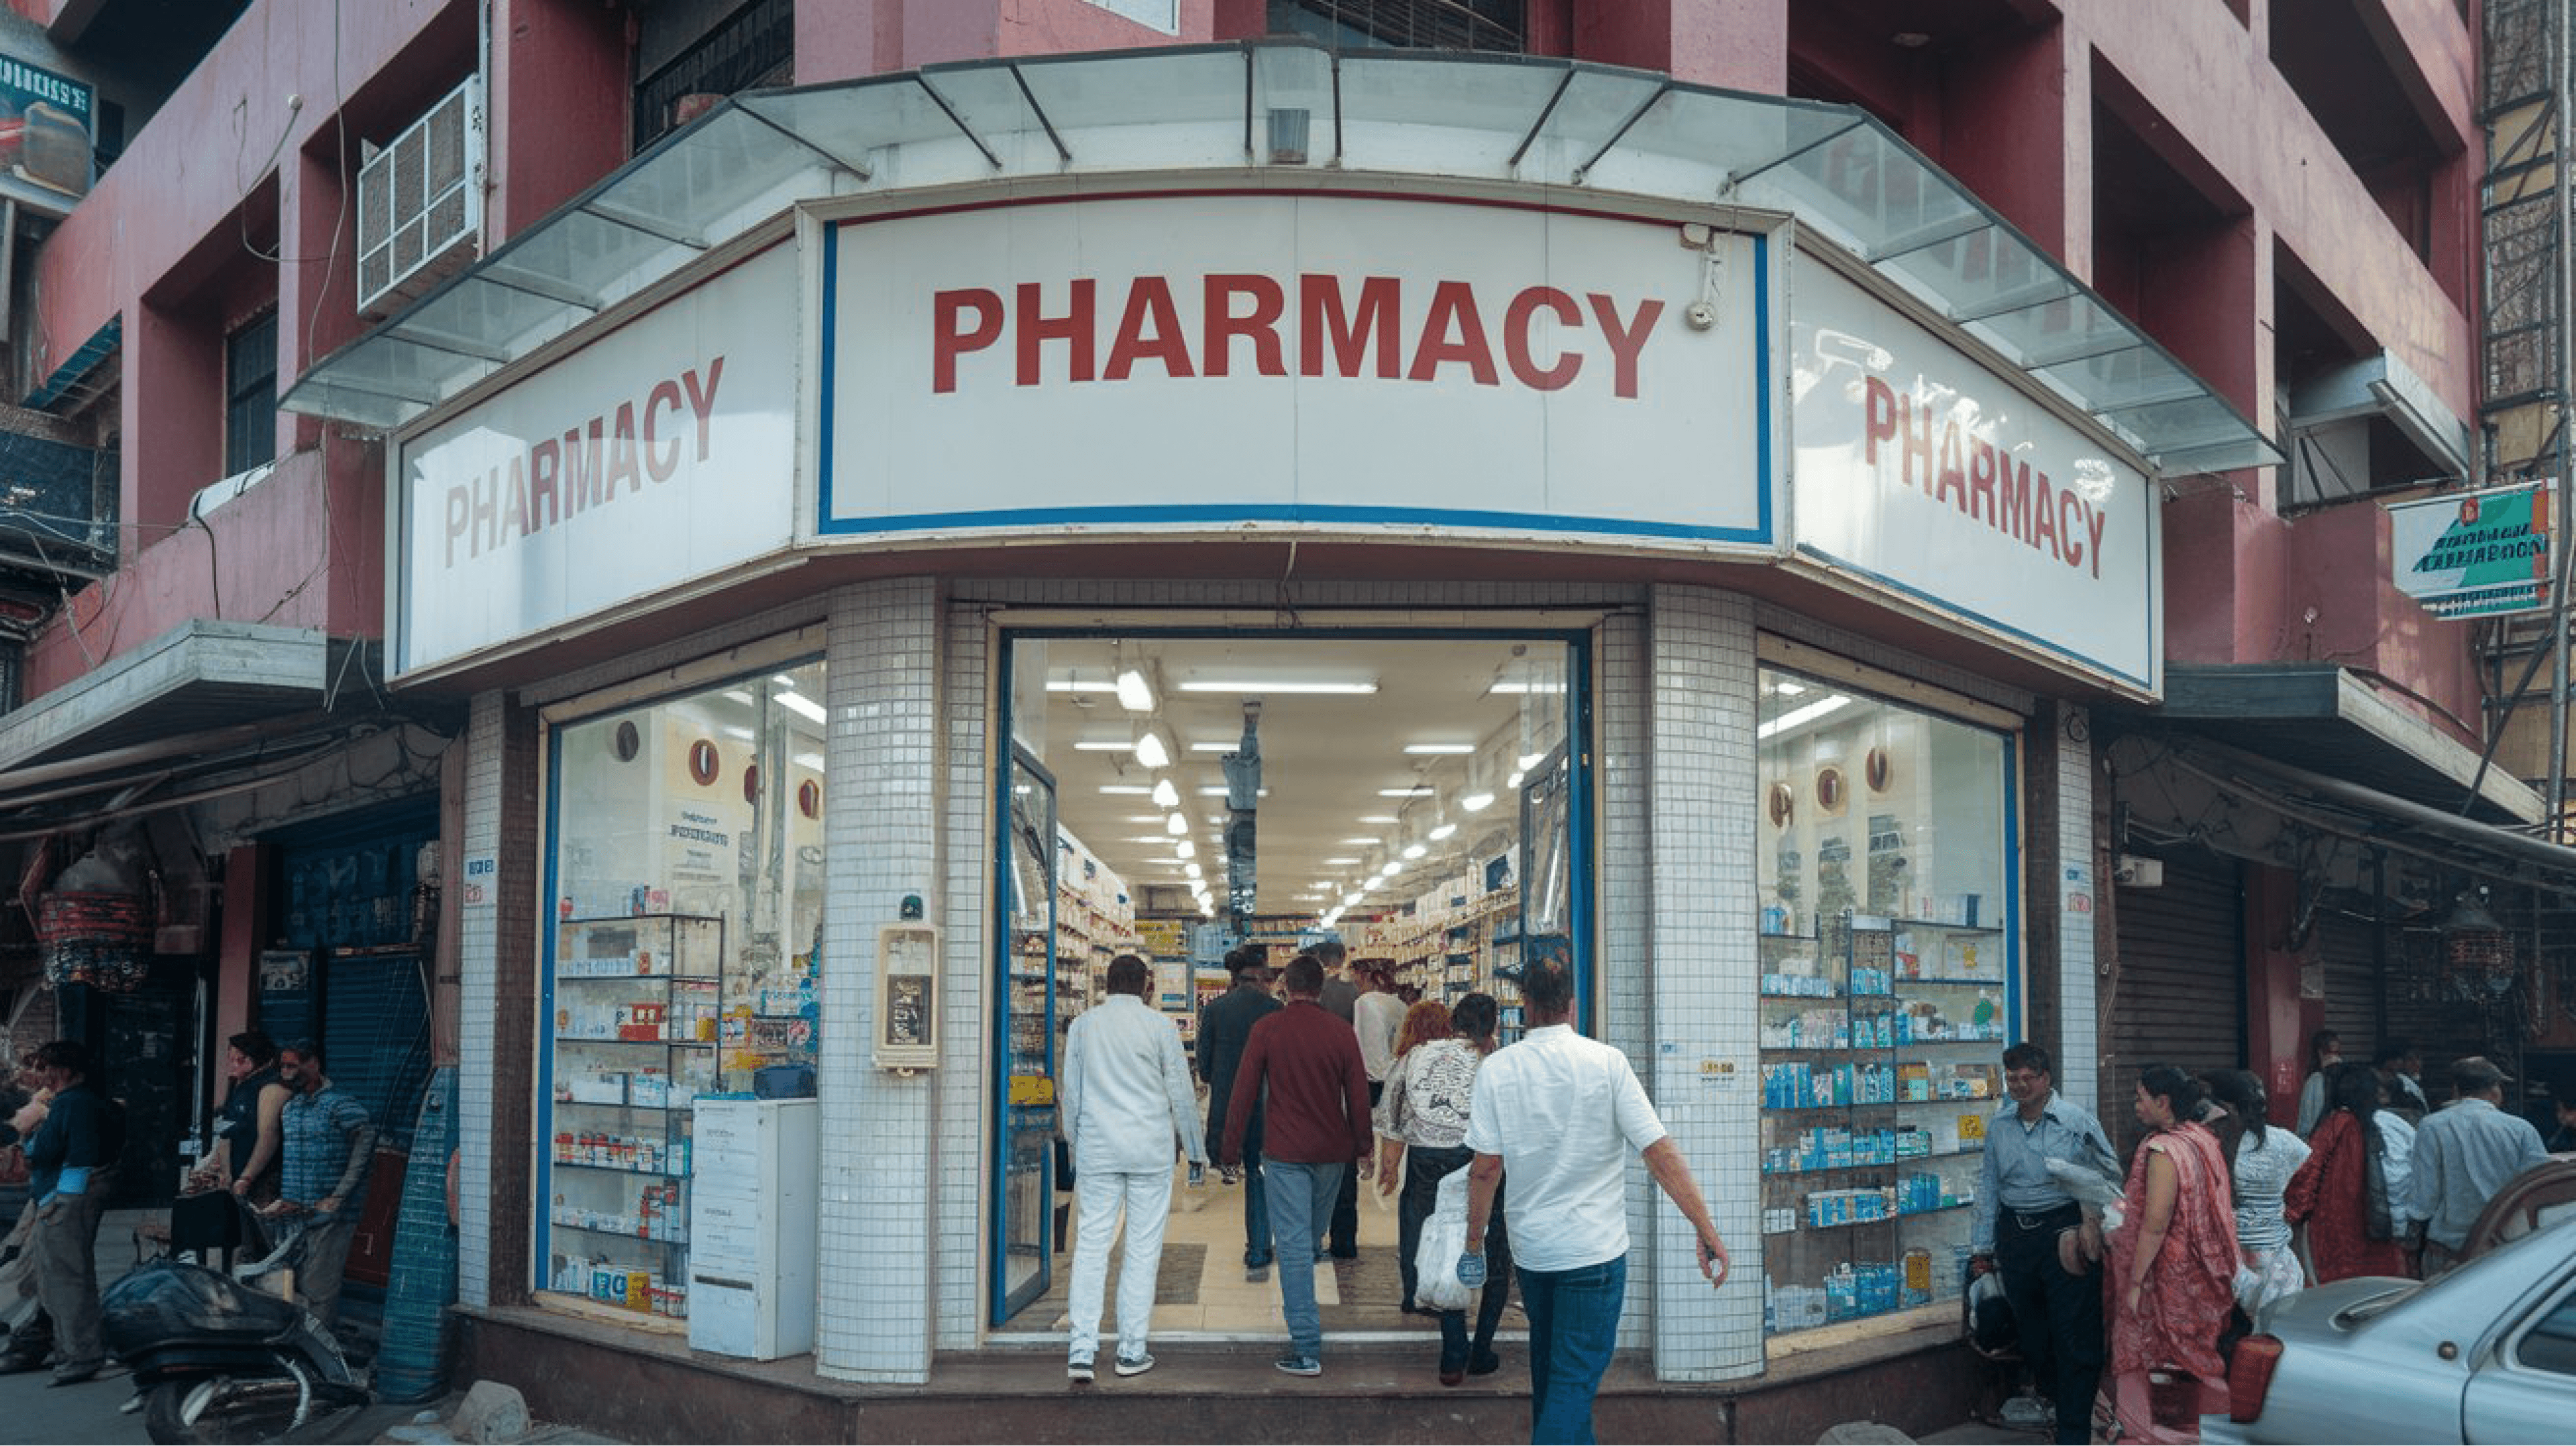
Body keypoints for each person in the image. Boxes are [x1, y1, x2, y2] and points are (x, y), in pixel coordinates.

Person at [1460, 957, 1728, 1446]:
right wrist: (1705, 1227)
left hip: (1534, 1255)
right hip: (1594, 1255)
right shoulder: (1607, 1062)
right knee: (1572, 1383)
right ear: (1571, 1005)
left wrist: (1473, 1241)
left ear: (1526, 1005)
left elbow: (1485, 1169)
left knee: (1552, 1376)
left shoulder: (1497, 1069)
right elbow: (1659, 1151)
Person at [1219, 953, 1373, 1377]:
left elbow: (1243, 1092)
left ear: (1285, 987)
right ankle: (1306, 1330)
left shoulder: (1268, 1029)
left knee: (1292, 1246)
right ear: (1321, 988)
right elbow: (1358, 1095)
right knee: (1307, 1242)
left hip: (1284, 1152)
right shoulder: (1342, 1033)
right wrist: (1364, 1146)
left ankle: (1306, 1348)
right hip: (1332, 1154)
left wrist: (1229, 1150)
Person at [1059, 953, 1205, 1382]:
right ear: (1146, 986)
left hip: (1099, 1150)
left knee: (1090, 1247)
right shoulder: (1160, 1027)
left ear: (1106, 984)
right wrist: (1195, 1152)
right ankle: (1131, 1350)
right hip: (1149, 1151)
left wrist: (1074, 1148)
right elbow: (1181, 1093)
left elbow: (1072, 1094)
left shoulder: (1085, 1025)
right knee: (1143, 1249)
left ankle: (1081, 1351)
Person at [1966, 1041, 2118, 1446]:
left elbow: (2109, 1174)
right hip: (2016, 1236)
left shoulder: (2075, 1122)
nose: (2018, 1085)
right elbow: (1988, 1187)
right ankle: (2057, 1401)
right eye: (2012, 1078)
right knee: (2033, 1334)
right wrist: (1981, 1248)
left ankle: (2073, 1432)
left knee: (2073, 1334)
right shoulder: (1999, 1127)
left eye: (2027, 1078)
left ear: (2046, 1079)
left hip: (2063, 1235)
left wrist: (2088, 1212)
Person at [1377, 995, 1513, 1385]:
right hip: (1481, 1162)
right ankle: (1481, 1349)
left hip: (1427, 1164)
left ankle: (1453, 1352)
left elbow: (1393, 1113)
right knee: (1492, 1251)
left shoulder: (1417, 1054)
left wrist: (1389, 1165)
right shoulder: (1497, 1061)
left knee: (1440, 1247)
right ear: (1492, 1027)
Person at [2106, 1064, 2239, 1445]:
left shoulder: (2164, 1149)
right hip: (2203, 1271)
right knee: (2197, 1357)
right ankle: (2207, 1431)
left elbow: (2156, 1222)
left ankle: (2146, 1434)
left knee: (2142, 1357)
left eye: (2140, 1097)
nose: (2135, 1105)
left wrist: (2134, 1282)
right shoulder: (2202, 1139)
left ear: (2162, 1102)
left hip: (2167, 1276)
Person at [19, 1041, 117, 1386]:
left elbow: (80, 1154)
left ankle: (80, 1354)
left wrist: (62, 1201)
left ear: (62, 1071)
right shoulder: (71, 1102)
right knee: (60, 1277)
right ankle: (73, 1350)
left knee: (67, 1281)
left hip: (66, 1198)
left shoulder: (74, 1104)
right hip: (62, 1195)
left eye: (44, 1068)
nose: (40, 1075)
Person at [2408, 1055, 2549, 1274]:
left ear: (2456, 1090)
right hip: (2506, 1247)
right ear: (2495, 1090)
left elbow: (2425, 1198)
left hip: (2447, 1251)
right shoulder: (2521, 1129)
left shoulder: (2432, 1126)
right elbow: (2539, 1187)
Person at [273, 1041, 377, 1336]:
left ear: (313, 1065)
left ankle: (319, 1352)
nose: (286, 1072)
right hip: (294, 1213)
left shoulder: (339, 1103)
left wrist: (340, 1194)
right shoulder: (290, 1108)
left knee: (319, 1288)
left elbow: (366, 1140)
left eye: (292, 1065)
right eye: (283, 1066)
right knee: (292, 1285)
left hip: (330, 1214)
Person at [1198, 944, 1283, 1281]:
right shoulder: (1276, 1010)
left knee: (1248, 1169)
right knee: (1266, 1173)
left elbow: (1204, 1068)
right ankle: (1267, 1245)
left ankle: (1258, 1246)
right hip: (1268, 1106)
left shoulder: (1217, 1010)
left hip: (1230, 1106)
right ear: (1262, 975)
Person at [2284, 1062, 2411, 1282]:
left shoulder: (2335, 1125)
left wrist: (2293, 1214)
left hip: (2336, 1223)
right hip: (2382, 1225)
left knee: (2340, 1289)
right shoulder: (2394, 1124)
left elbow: (2308, 1173)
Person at [2204, 1068, 2310, 1317]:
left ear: (2225, 1107)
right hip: (2276, 1266)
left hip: (2223, 1264)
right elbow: (2304, 1182)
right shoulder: (2285, 1142)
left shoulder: (2209, 1144)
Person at [1311, 939, 1363, 1260]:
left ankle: (1313, 1237)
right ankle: (1345, 1240)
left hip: (1314, 1085)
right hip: (1347, 1083)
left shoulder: (1316, 994)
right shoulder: (1357, 995)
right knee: (1344, 1167)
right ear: (1343, 959)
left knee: (1312, 1166)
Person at [2294, 1029, 2341, 1137]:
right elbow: (2306, 1119)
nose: (2335, 1057)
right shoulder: (2315, 1080)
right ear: (2320, 1053)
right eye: (2330, 1052)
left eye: (2337, 1053)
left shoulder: (2347, 1078)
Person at [2373, 1041, 2430, 1123]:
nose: (2415, 1063)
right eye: (2410, 1059)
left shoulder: (2422, 1083)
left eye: (2418, 1058)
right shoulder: (2398, 1084)